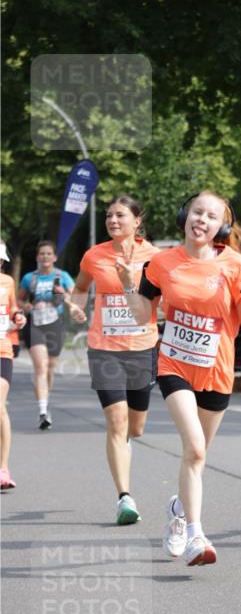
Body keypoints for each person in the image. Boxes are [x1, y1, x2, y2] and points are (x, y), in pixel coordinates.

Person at [117, 191, 241, 567]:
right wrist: (129, 283)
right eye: (197, 211)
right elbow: (140, 316)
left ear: (221, 227)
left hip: (217, 370)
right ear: (185, 216)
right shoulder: (162, 263)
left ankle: (178, 511)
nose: (202, 219)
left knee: (198, 456)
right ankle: (197, 534)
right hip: (174, 365)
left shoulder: (233, 264)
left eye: (211, 216)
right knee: (194, 448)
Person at [68, 196, 160, 526]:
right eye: (108, 216)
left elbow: (164, 301)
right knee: (117, 422)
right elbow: (80, 288)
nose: (112, 220)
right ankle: (125, 497)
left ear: (137, 221)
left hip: (142, 348)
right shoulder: (95, 255)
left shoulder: (155, 257)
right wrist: (75, 307)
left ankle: (124, 447)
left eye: (120, 215)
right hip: (104, 348)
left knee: (136, 427)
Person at [17, 241, 76, 430]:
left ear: (54, 257)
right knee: (40, 367)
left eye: (49, 254)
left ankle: (45, 400)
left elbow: (74, 299)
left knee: (50, 368)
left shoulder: (62, 276)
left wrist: (63, 293)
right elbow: (19, 298)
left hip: (55, 324)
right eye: (42, 254)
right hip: (35, 324)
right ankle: (42, 411)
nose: (45, 257)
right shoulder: (29, 278)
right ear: (37, 257)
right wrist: (23, 306)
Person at [0, 240, 27, 489]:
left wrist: (18, 318)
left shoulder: (7, 282)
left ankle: (3, 469)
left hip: (2, 350)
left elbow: (12, 310)